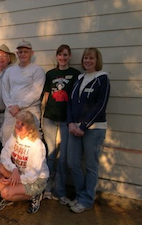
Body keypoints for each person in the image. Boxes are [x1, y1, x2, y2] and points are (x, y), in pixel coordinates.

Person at [67, 47, 110, 213]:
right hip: (74, 128)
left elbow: (101, 106)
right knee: (73, 162)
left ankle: (86, 200)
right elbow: (70, 102)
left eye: (91, 58)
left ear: (97, 60)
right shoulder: (79, 78)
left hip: (94, 129)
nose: (88, 61)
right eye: (85, 58)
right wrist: (71, 123)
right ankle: (79, 195)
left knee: (91, 166)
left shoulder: (102, 79)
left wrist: (84, 126)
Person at [42, 45, 81, 203]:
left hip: (67, 119)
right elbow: (45, 96)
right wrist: (42, 115)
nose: (62, 58)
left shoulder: (75, 74)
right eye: (60, 55)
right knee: (50, 154)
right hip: (50, 117)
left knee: (64, 157)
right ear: (56, 56)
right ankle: (47, 188)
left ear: (69, 56)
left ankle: (60, 190)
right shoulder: (50, 74)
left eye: (65, 55)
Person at [0, 111, 49, 214]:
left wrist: (12, 180)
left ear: (30, 127)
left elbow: (33, 175)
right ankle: (10, 195)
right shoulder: (14, 137)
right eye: (17, 122)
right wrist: (14, 169)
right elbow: (4, 155)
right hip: (18, 173)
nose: (18, 126)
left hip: (35, 180)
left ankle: (34, 195)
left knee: (4, 192)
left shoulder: (37, 145)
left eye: (23, 124)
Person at [1, 40, 46, 145]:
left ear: (31, 53)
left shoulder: (37, 70)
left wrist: (19, 106)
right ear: (17, 54)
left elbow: (36, 93)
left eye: (26, 51)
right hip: (11, 111)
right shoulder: (10, 71)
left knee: (29, 142)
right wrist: (11, 106)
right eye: (20, 52)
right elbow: (5, 90)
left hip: (29, 110)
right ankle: (7, 161)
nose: (23, 54)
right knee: (7, 139)